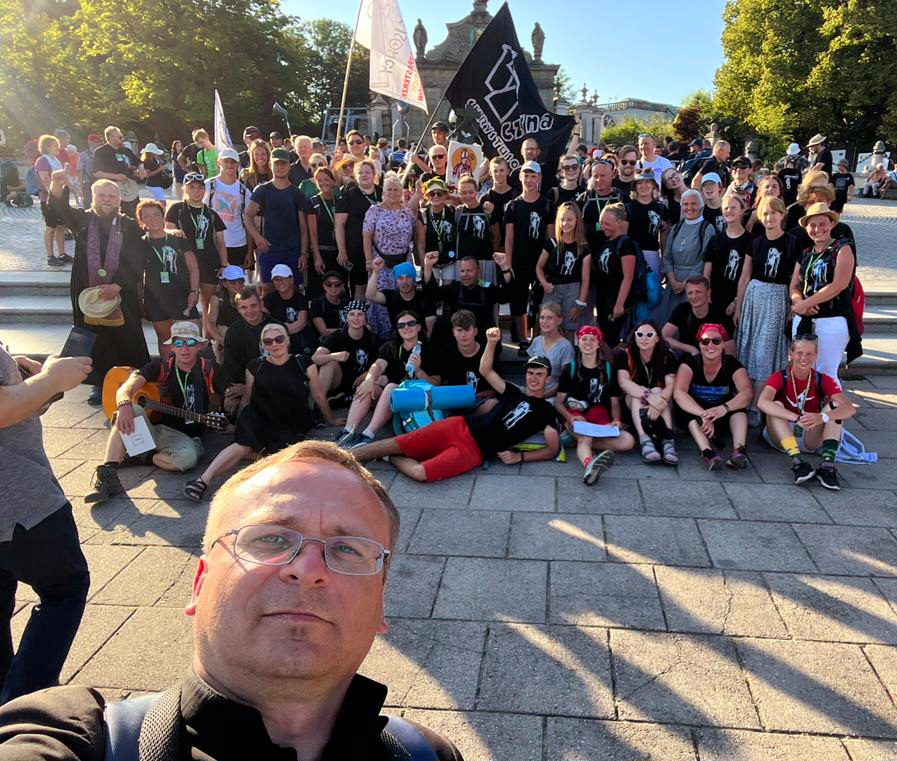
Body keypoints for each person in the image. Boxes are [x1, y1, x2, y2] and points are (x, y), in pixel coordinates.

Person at [2, 439, 462, 759]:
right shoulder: (74, 738)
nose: (307, 569)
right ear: (199, 583)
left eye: (347, 549)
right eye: (270, 539)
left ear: (380, 604)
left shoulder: (430, 754)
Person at [0, 347, 91, 704]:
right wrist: (50, 380)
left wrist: (31, 382)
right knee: (65, 588)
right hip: (19, 503)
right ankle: (20, 706)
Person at [352, 327, 560, 481]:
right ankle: (344, 457)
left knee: (420, 473)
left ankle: (388, 458)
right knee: (398, 443)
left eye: (539, 374)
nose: (533, 378)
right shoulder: (513, 391)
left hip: (475, 451)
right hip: (460, 425)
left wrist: (519, 457)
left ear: (548, 378)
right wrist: (491, 342)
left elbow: (552, 449)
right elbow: (486, 370)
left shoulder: (546, 410)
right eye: (530, 373)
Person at [184, 322, 336, 500]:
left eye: (279, 339)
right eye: (268, 341)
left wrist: (331, 420)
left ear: (287, 340)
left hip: (291, 420)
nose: (274, 344)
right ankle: (202, 481)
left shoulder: (303, 363)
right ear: (263, 345)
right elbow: (248, 398)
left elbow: (318, 395)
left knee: (280, 453)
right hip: (259, 415)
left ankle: (249, 454)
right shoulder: (255, 366)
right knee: (243, 444)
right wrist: (237, 425)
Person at [85, 322, 225, 504]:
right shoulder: (160, 367)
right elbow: (126, 387)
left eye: (190, 343)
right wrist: (124, 403)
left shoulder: (209, 369)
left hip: (184, 437)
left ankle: (143, 456)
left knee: (187, 460)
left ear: (198, 346)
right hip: (155, 428)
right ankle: (108, 474)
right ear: (172, 346)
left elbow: (227, 397)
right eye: (179, 343)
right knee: (128, 410)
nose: (184, 348)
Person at [47, 171, 149, 405]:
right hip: (88, 292)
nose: (106, 200)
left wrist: (119, 284)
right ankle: (99, 383)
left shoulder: (129, 225)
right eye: (101, 195)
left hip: (122, 293)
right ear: (92, 197)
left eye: (111, 196)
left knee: (126, 337)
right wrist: (56, 185)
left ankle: (132, 379)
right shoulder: (82, 220)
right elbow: (60, 209)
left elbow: (138, 257)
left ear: (119, 199)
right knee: (93, 338)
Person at [758, 334, 856, 489]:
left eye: (809, 354)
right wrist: (796, 418)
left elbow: (849, 408)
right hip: (780, 435)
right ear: (791, 354)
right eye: (799, 353)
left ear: (816, 356)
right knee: (775, 405)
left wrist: (823, 417)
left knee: (836, 406)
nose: (804, 358)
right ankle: (798, 463)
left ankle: (827, 466)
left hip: (810, 434)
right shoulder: (780, 376)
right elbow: (762, 402)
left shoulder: (822, 379)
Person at [336, 310, 441, 448]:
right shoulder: (390, 347)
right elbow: (378, 365)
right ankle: (348, 432)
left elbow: (436, 384)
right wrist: (369, 380)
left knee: (391, 387)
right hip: (390, 401)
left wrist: (419, 371)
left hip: (417, 398)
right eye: (401, 325)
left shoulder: (430, 350)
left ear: (419, 327)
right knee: (368, 387)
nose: (406, 327)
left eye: (411, 323)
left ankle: (368, 434)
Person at [735, 196, 798, 423]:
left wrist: (792, 306)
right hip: (754, 297)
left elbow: (794, 278)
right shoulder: (755, 242)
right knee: (748, 349)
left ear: (782, 215)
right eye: (766, 213)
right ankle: (746, 398)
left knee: (764, 353)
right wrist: (739, 306)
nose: (770, 217)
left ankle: (757, 407)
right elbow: (744, 276)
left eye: (774, 212)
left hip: (776, 298)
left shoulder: (791, 242)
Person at [556, 325, 634, 484]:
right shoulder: (570, 369)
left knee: (628, 441)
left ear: (599, 344)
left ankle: (576, 440)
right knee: (585, 436)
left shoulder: (608, 369)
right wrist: (570, 418)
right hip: (578, 416)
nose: (588, 343)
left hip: (600, 419)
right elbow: (558, 403)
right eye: (584, 339)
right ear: (578, 342)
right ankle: (589, 464)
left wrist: (616, 420)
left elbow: (614, 402)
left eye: (592, 339)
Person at [790, 202, 857, 381]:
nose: (817, 229)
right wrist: (799, 303)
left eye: (822, 224)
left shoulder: (842, 248)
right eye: (812, 225)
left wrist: (806, 303)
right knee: (802, 371)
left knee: (826, 372)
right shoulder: (806, 253)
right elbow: (794, 286)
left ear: (832, 224)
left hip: (832, 319)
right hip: (804, 319)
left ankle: (830, 401)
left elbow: (839, 284)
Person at [673, 323, 753, 471]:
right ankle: (707, 452)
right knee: (688, 413)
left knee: (739, 410)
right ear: (699, 344)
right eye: (705, 341)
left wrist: (723, 408)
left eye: (716, 341)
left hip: (722, 415)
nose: (710, 345)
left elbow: (747, 393)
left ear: (723, 343)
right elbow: (679, 393)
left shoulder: (732, 364)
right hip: (697, 415)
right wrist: (703, 414)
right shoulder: (690, 363)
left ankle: (739, 450)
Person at [135, 200, 200, 357]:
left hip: (181, 294)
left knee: (190, 336)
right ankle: (167, 368)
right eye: (147, 216)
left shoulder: (178, 238)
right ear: (141, 221)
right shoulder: (140, 244)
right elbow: (138, 276)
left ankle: (194, 368)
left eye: (156, 214)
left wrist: (194, 291)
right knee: (165, 339)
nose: (152, 219)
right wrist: (140, 300)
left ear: (163, 216)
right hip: (156, 298)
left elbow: (193, 268)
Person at [362, 173, 421, 339]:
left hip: (403, 264)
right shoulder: (374, 211)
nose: (393, 193)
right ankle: (382, 340)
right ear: (383, 192)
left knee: (404, 299)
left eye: (396, 190)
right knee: (380, 303)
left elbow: (415, 236)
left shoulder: (407, 212)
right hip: (381, 265)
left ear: (401, 192)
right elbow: (366, 236)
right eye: (389, 189)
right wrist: (368, 261)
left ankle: (406, 335)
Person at [504, 161, 554, 352]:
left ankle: (537, 339)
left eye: (533, 176)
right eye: (526, 176)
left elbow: (550, 238)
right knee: (518, 301)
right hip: (519, 260)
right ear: (520, 177)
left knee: (540, 302)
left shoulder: (547, 205)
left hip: (541, 261)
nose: (529, 180)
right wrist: (508, 264)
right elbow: (509, 238)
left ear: (539, 178)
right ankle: (523, 339)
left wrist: (548, 262)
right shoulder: (512, 206)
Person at [166, 172, 228, 323]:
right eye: (192, 187)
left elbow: (221, 242)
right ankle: (187, 334)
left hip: (209, 262)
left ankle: (207, 335)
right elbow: (166, 230)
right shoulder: (176, 209)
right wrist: (172, 231)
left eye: (200, 188)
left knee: (208, 306)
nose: (196, 191)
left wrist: (224, 265)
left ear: (204, 190)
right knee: (186, 304)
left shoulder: (211, 213)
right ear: (185, 189)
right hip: (184, 263)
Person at [244, 147, 310, 288]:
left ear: (289, 166)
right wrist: (257, 238)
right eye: (276, 164)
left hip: (292, 250)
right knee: (268, 289)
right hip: (270, 249)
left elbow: (303, 228)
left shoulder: (297, 193)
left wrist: (303, 253)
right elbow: (248, 215)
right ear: (270, 165)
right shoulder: (262, 190)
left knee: (293, 290)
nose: (280, 167)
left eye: (283, 164)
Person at [616, 320, 679, 464]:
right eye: (640, 334)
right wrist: (649, 396)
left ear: (657, 338)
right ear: (635, 337)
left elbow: (671, 385)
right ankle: (645, 441)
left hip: (661, 406)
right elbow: (623, 382)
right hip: (632, 405)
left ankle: (668, 442)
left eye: (649, 335)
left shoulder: (667, 356)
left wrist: (658, 400)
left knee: (658, 389)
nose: (644, 338)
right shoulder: (624, 354)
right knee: (638, 393)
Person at [422, 252, 513, 344]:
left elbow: (506, 296)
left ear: (478, 271)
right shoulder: (454, 287)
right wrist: (428, 266)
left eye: (469, 271)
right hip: (457, 340)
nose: (465, 274)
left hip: (481, 339)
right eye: (462, 271)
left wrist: (504, 267)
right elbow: (432, 293)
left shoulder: (486, 287)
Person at [658, 189, 715, 322]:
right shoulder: (676, 228)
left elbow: (703, 259)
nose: (689, 207)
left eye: (694, 203)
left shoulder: (707, 229)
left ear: (701, 206)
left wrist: (686, 283)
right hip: (673, 284)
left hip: (694, 283)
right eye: (685, 204)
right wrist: (672, 281)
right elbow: (667, 256)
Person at [536, 202, 592, 334]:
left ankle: (568, 348)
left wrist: (580, 303)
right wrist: (544, 283)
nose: (565, 223)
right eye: (562, 219)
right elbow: (539, 267)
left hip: (573, 290)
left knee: (570, 327)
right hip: (553, 289)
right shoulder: (552, 243)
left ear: (577, 220)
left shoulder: (583, 247)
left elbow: (586, 279)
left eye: (570, 219)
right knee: (547, 324)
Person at [312, 300, 379, 405]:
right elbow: (314, 358)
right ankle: (320, 405)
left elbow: (380, 361)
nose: (356, 318)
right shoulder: (338, 335)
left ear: (365, 318)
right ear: (347, 318)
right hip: (338, 381)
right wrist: (335, 356)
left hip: (360, 383)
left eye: (360, 314)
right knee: (329, 363)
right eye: (352, 314)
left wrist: (368, 374)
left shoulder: (371, 337)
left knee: (381, 378)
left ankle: (343, 398)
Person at [591, 203, 637, 347]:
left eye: (607, 224)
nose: (603, 227)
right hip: (604, 299)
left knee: (613, 340)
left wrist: (619, 304)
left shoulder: (626, 244)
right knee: (604, 339)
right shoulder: (607, 242)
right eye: (601, 223)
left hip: (617, 301)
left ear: (619, 222)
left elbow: (628, 277)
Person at [335, 160, 382, 298]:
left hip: (381, 249)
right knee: (360, 286)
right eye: (360, 172)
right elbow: (339, 226)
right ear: (355, 175)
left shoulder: (383, 192)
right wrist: (342, 251)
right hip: (356, 249)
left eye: (367, 172)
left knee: (380, 285)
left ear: (374, 174)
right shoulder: (349, 195)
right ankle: (359, 311)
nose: (364, 175)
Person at [222, 287, 270, 413]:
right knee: (230, 405)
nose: (249, 311)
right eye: (244, 307)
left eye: (253, 305)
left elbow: (283, 369)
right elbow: (230, 366)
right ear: (238, 309)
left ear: (261, 304)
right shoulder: (233, 331)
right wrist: (231, 393)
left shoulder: (276, 329)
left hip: (272, 387)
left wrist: (250, 388)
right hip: (243, 385)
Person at [663, 276, 736, 357]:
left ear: (708, 292)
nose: (694, 296)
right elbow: (664, 337)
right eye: (690, 293)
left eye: (698, 292)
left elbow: (730, 352)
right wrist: (690, 349)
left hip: (715, 359)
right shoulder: (682, 309)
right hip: (690, 359)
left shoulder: (720, 314)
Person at [205, 147, 253, 270]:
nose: (229, 165)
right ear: (219, 162)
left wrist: (250, 251)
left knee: (237, 279)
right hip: (214, 242)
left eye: (233, 162)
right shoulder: (208, 185)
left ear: (237, 164)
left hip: (238, 243)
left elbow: (249, 222)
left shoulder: (244, 191)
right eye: (226, 161)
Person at [703, 193, 750, 315]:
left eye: (733, 207)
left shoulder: (751, 241)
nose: (729, 211)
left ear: (741, 211)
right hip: (714, 299)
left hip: (739, 300)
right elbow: (706, 273)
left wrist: (737, 302)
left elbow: (749, 276)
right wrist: (707, 293)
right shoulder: (715, 240)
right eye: (726, 208)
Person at [366, 258, 435, 336]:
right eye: (400, 278)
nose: (404, 282)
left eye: (408, 277)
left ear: (414, 280)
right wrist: (376, 272)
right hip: (397, 339)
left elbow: (429, 328)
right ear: (396, 281)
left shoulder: (423, 298)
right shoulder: (391, 296)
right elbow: (370, 296)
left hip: (419, 338)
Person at [307, 166, 344, 297]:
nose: (323, 183)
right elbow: (312, 233)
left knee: (338, 292)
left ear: (333, 181)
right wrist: (317, 257)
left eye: (327, 179)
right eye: (319, 180)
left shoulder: (340, 202)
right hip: (321, 252)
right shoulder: (313, 202)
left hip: (338, 254)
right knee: (319, 292)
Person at [34, 134, 70, 267]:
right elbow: (45, 179)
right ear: (47, 147)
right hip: (49, 199)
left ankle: (62, 254)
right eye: (55, 145)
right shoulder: (43, 160)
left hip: (60, 197)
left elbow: (62, 179)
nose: (58, 147)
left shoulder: (56, 160)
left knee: (60, 226)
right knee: (50, 227)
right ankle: (50, 256)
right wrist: (53, 195)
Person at [264, 264, 316, 356]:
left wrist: (280, 331)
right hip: (276, 341)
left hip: (299, 340)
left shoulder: (301, 299)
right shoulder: (268, 299)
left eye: (283, 279)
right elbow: (263, 320)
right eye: (276, 279)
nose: (280, 282)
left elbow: (302, 323)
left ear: (291, 280)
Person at [626, 170, 668, 283]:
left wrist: (664, 260)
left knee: (653, 290)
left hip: (653, 255)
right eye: (639, 183)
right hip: (632, 255)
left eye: (647, 182)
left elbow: (663, 236)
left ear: (653, 185)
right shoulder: (628, 208)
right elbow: (623, 236)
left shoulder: (661, 208)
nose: (643, 186)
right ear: (635, 186)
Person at [90, 126, 141, 218]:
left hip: (129, 189)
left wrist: (141, 169)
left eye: (122, 137)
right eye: (120, 137)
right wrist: (115, 176)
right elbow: (96, 172)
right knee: (115, 215)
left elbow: (139, 162)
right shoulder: (101, 152)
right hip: (112, 190)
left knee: (134, 214)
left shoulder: (126, 151)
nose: (122, 139)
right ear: (111, 138)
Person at [527, 302, 575, 396]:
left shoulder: (565, 347)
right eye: (542, 317)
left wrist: (543, 396)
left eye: (549, 318)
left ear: (559, 320)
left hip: (552, 396)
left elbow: (565, 381)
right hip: (533, 392)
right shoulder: (536, 341)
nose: (544, 321)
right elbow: (530, 372)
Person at [454, 175, 495, 280]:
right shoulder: (458, 211)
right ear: (459, 193)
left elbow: (496, 236)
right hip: (463, 263)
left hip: (484, 261)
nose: (468, 196)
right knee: (465, 288)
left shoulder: (486, 210)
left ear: (477, 191)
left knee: (485, 287)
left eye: (471, 192)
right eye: (464, 193)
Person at [417, 178, 457, 282]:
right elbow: (421, 246)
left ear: (445, 195)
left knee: (450, 289)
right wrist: (425, 267)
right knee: (431, 289)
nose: (435, 196)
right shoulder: (423, 215)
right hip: (430, 262)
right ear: (427, 196)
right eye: (432, 194)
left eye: (439, 193)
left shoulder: (453, 211)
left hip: (450, 260)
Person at [206, 265, 245, 362]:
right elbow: (210, 322)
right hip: (225, 334)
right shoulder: (217, 298)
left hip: (244, 331)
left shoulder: (249, 296)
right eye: (233, 282)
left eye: (240, 281)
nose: (237, 285)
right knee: (224, 330)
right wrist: (220, 339)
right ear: (225, 283)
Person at [77, 132, 102, 208]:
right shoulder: (101, 154)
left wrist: (81, 184)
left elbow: (80, 170)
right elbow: (80, 170)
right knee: (96, 202)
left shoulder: (83, 154)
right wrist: (81, 184)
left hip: (90, 182)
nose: (96, 144)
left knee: (90, 203)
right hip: (97, 182)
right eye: (95, 142)